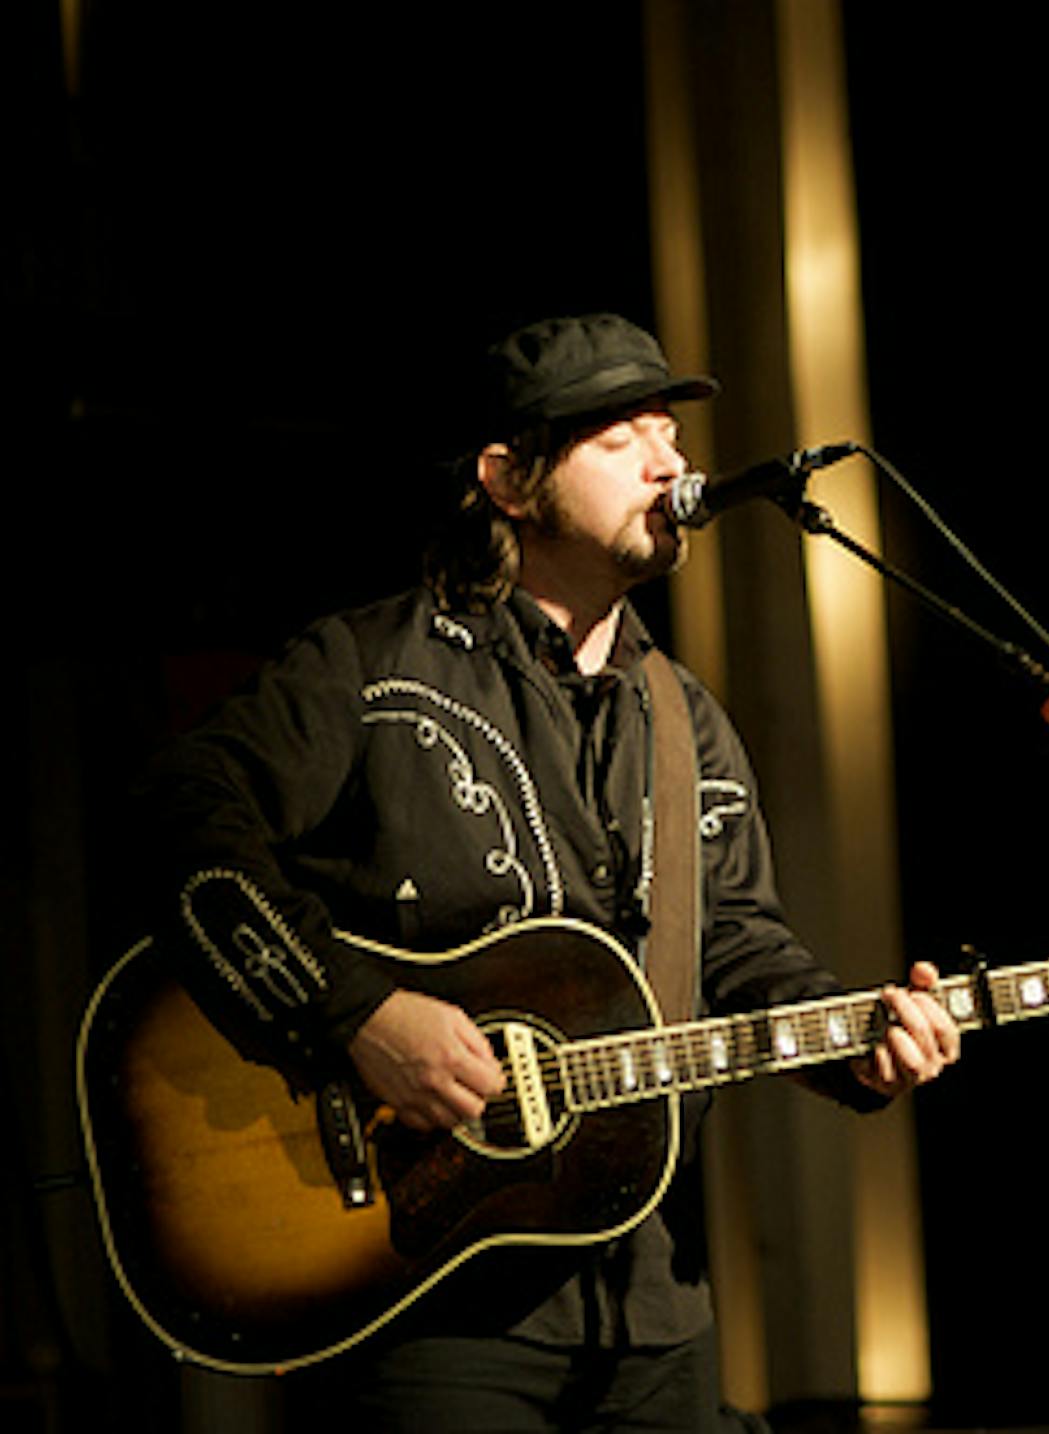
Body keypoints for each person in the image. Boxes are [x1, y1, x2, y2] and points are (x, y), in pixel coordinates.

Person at [136, 312, 960, 1431]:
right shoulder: (369, 668)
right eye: (623, 437)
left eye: (669, 433)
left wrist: (857, 1039)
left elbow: (738, 945)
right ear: (509, 480)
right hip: (427, 1314)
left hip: (654, 1304)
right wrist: (361, 1017)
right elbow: (185, 827)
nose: (673, 463)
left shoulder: (688, 721)